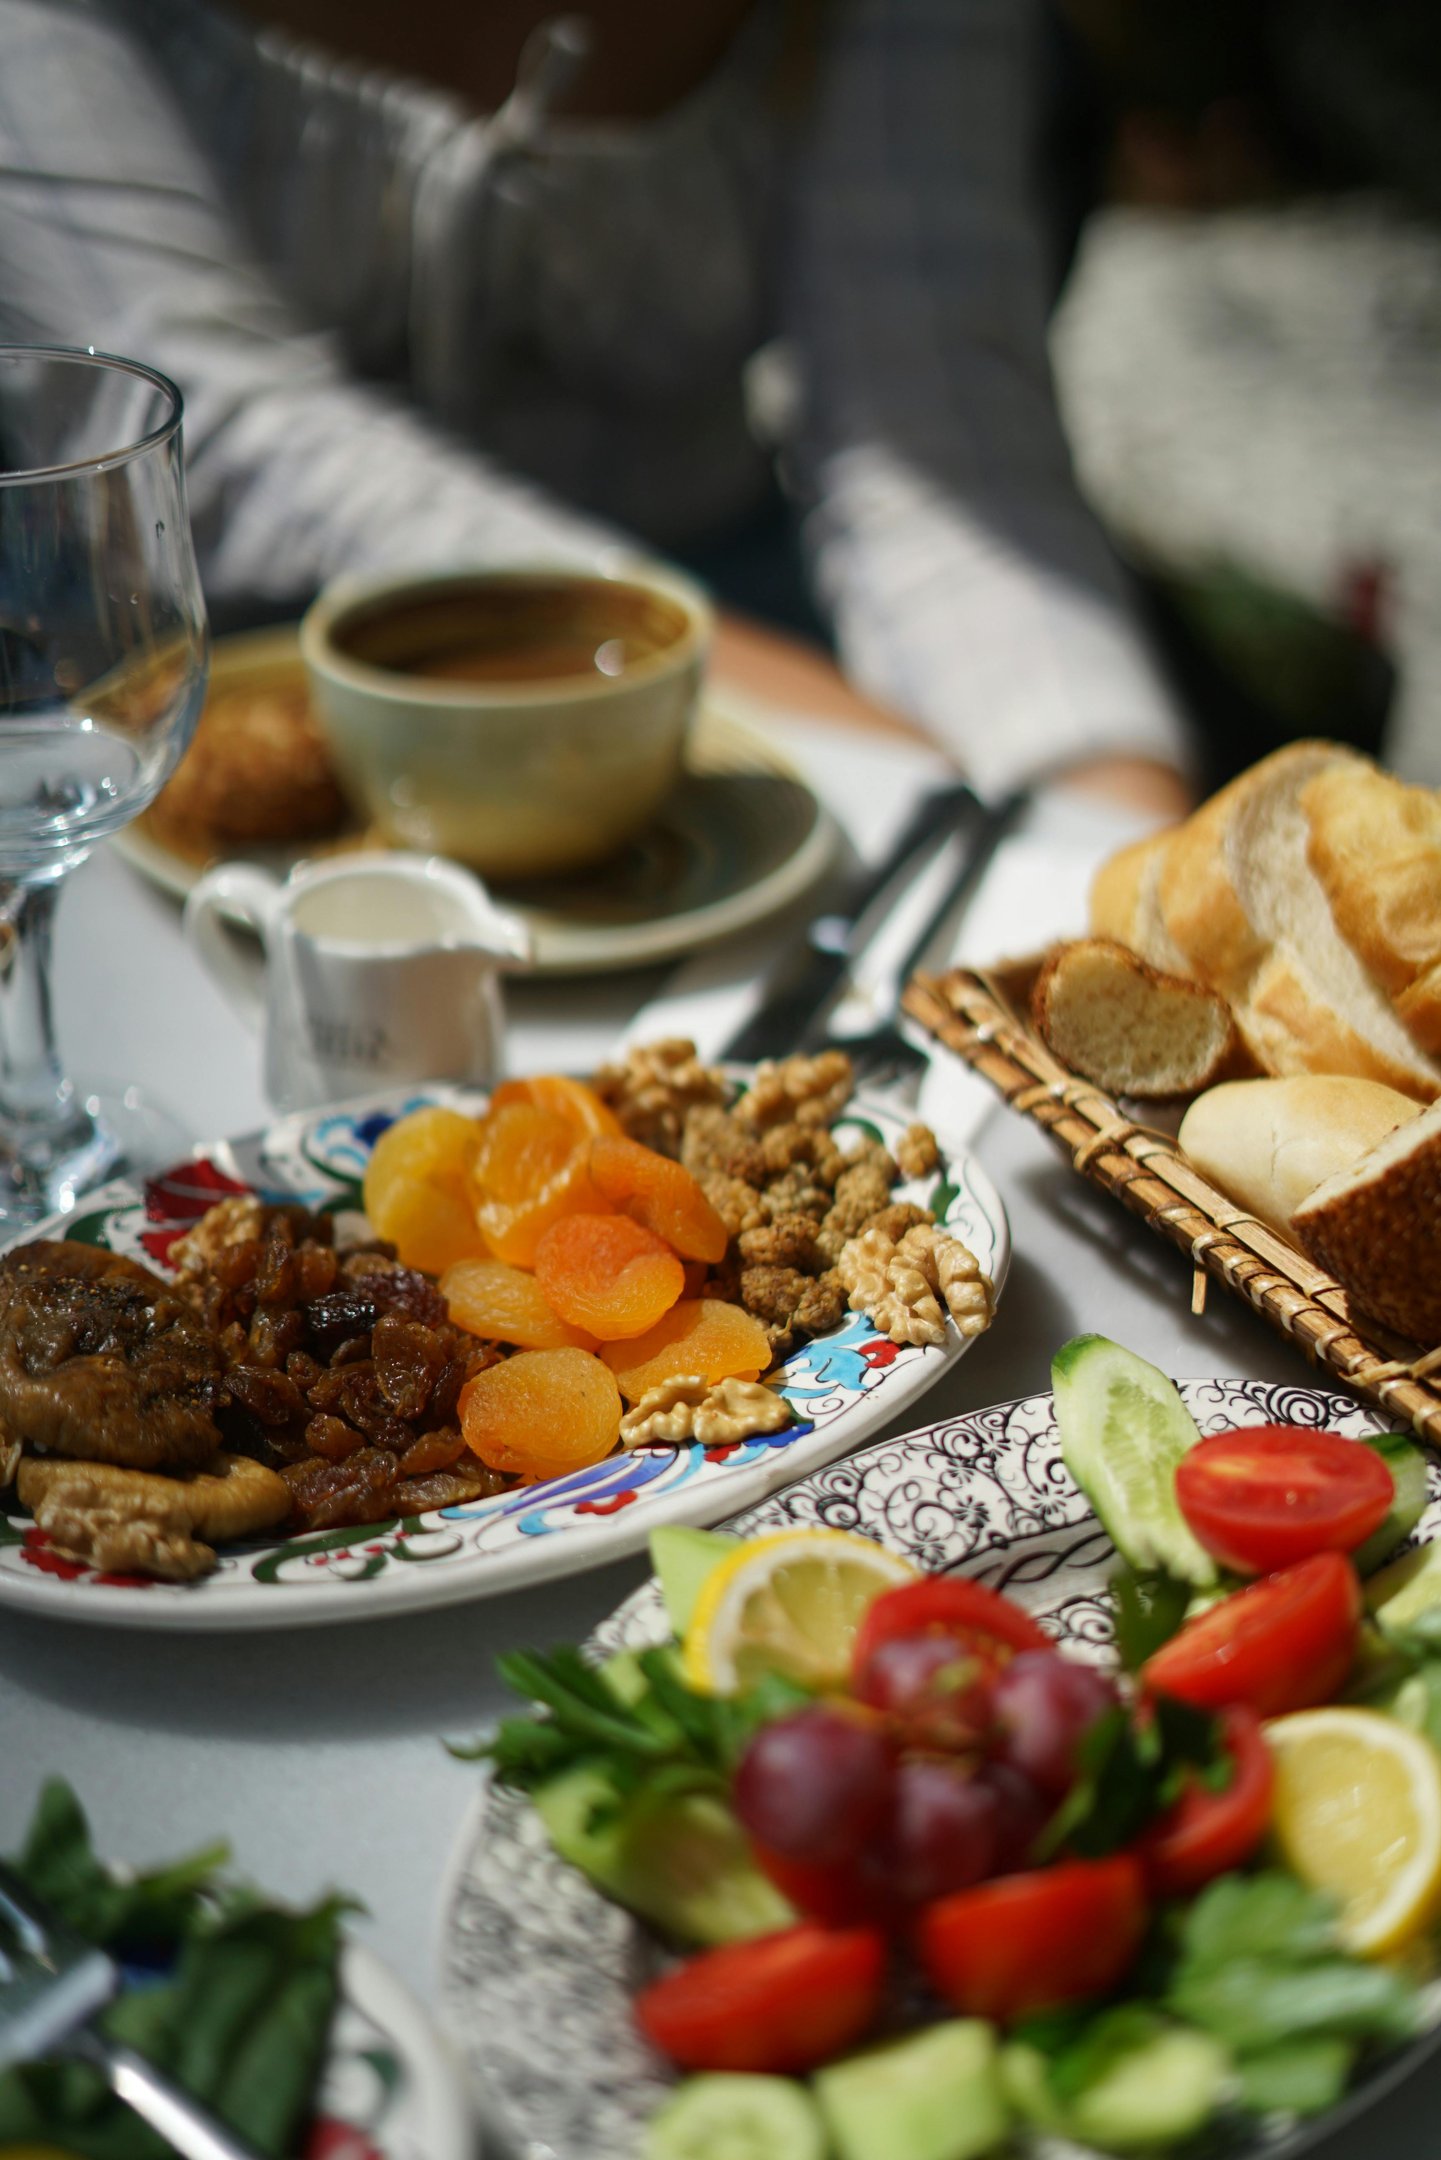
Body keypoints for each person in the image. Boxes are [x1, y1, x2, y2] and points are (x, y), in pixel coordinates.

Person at [0, 0, 1195, 813]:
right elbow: (227, 441)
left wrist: (1112, 831)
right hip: (172, 672)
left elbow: (939, 437)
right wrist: (894, 776)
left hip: (748, 656)